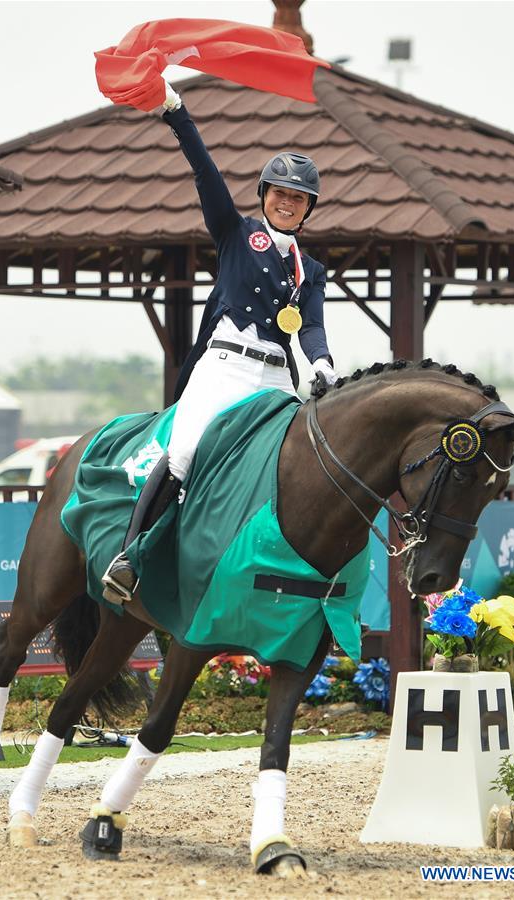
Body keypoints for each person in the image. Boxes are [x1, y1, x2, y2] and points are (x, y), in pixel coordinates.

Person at [102, 80, 337, 605]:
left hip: (276, 373)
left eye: (297, 198)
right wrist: (177, 114)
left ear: (307, 210)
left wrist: (321, 363)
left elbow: (312, 325)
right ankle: (130, 555)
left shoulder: (312, 269)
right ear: (265, 196)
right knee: (184, 450)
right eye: (279, 193)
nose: (287, 203)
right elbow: (205, 172)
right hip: (226, 365)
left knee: (295, 463)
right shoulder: (235, 233)